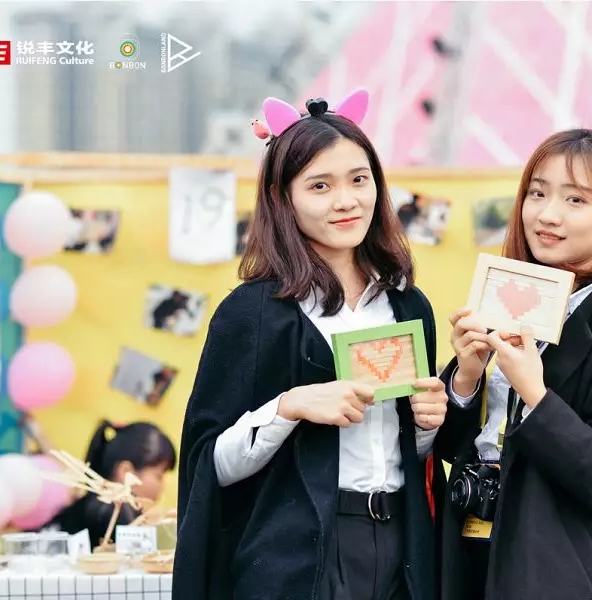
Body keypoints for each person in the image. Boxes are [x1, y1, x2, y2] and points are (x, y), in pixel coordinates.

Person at [174, 89, 446, 600]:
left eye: (359, 180)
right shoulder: (253, 313)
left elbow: (404, 454)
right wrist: (289, 407)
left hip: (401, 548)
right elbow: (209, 466)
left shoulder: (408, 305)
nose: (346, 201)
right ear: (283, 198)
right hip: (298, 558)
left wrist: (427, 425)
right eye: (320, 185)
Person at [434, 129, 592, 600]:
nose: (548, 214)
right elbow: (453, 446)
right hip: (475, 558)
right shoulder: (512, 298)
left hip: (563, 576)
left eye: (576, 200)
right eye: (538, 193)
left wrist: (537, 395)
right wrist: (466, 377)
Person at [47, 420, 176, 548]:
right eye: (159, 476)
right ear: (126, 472)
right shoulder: (111, 511)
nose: (163, 485)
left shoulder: (93, 505)